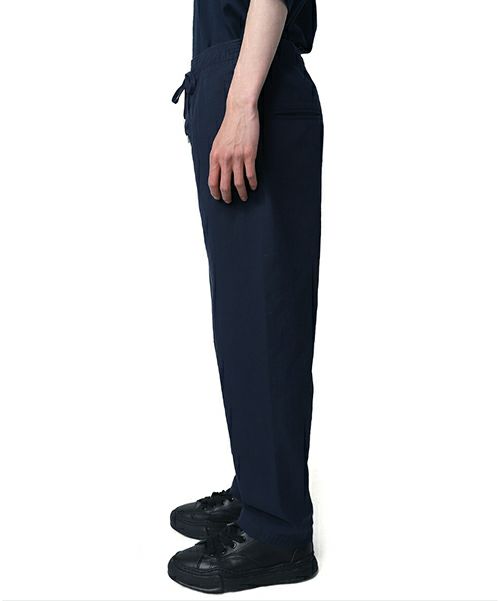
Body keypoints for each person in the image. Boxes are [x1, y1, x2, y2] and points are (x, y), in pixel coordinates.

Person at [170, 0, 323, 593]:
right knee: (242, 318)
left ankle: (279, 531)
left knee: (266, 318)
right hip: (236, 79)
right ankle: (260, 484)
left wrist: (239, 105)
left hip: (254, 86)